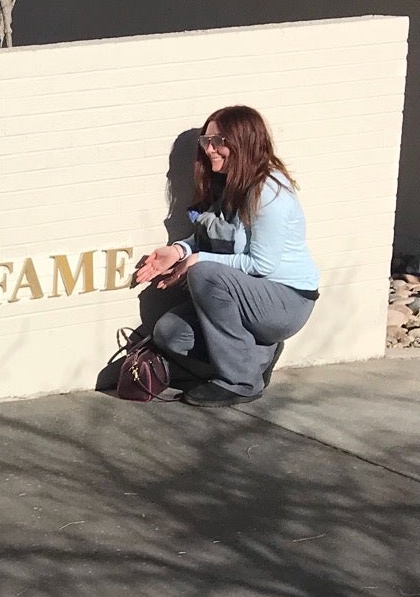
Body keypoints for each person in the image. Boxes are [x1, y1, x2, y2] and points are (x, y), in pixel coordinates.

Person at [134, 105, 319, 406]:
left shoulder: (269, 193)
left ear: (243, 142)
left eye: (218, 141)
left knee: (204, 273)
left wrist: (197, 261)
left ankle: (241, 382)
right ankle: (258, 355)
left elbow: (261, 264)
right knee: (170, 333)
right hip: (250, 297)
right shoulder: (230, 183)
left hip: (286, 299)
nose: (209, 149)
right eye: (206, 141)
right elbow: (217, 238)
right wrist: (179, 251)